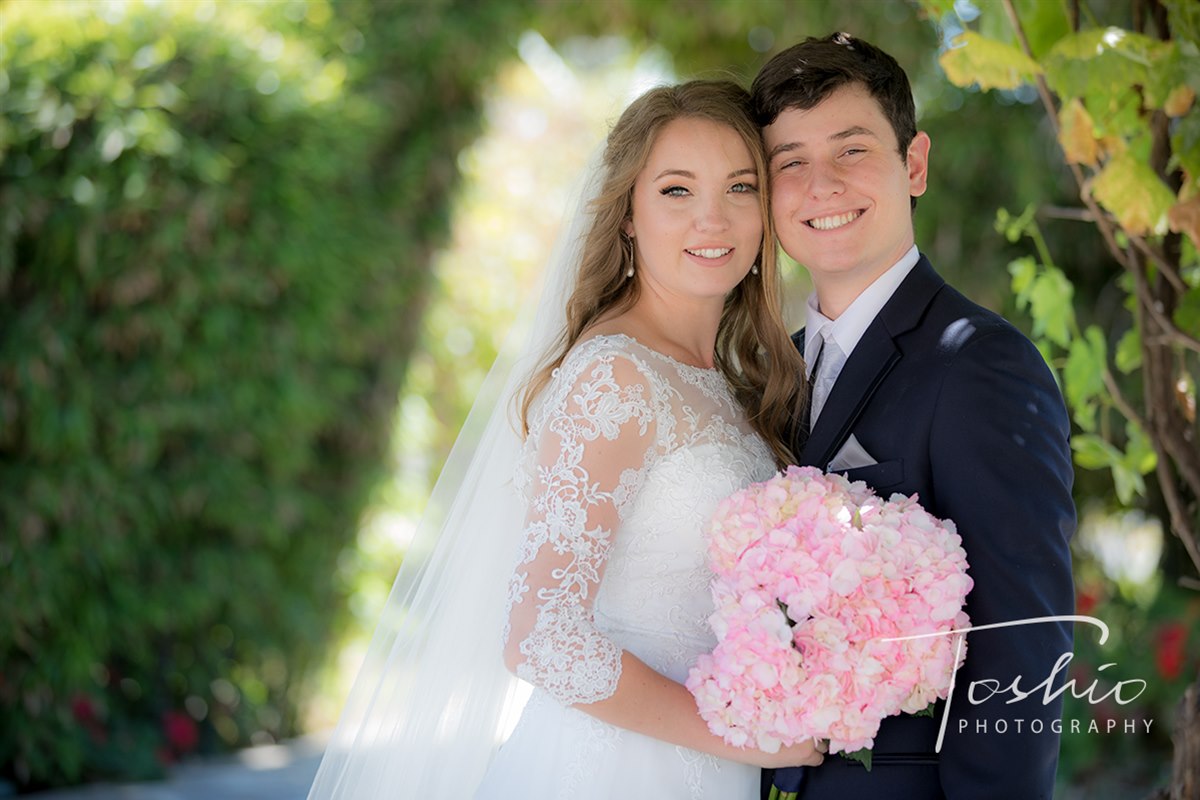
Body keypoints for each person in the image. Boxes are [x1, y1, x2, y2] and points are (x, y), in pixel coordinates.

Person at [307, 79, 824, 800]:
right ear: (628, 217)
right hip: (618, 770)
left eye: (740, 187)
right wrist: (746, 734)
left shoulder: (737, 380)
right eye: (676, 190)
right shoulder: (616, 377)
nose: (713, 218)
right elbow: (541, 636)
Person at [751, 33, 1076, 800]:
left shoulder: (981, 365)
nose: (822, 184)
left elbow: (1021, 654)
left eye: (852, 149)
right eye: (790, 161)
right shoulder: (768, 373)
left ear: (915, 164)